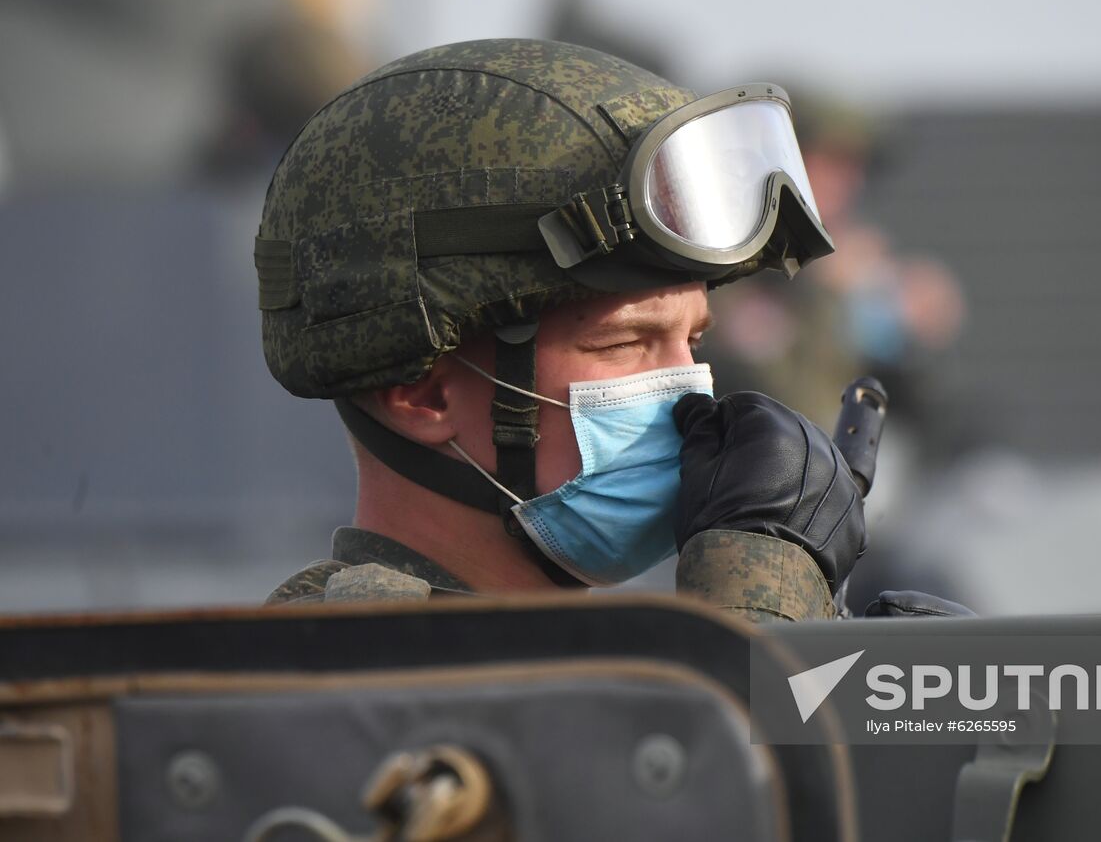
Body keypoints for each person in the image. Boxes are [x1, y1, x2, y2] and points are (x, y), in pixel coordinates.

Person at [257, 38, 866, 622]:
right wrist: (765, 589)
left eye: (694, 343)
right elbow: (704, 727)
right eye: (623, 344)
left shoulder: (581, 655)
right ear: (423, 392)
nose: (695, 405)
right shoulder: (333, 668)